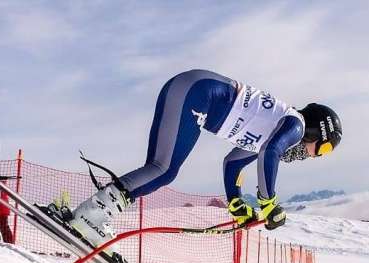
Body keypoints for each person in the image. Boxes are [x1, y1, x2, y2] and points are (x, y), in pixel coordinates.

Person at [67, 69, 342, 251]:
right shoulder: (295, 125)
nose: (315, 155)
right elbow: (271, 154)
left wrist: (235, 201)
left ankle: (91, 213)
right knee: (164, 169)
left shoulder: (270, 133)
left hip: (192, 89)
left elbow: (232, 164)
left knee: (160, 169)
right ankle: (90, 215)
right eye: (324, 149)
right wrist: (268, 203)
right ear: (318, 131)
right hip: (198, 93)